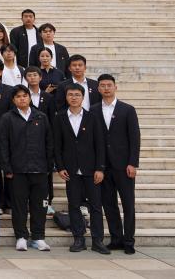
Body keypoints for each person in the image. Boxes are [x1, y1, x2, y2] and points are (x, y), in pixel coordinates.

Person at [54, 85, 109, 254]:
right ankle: (78, 239)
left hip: (91, 169)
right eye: (70, 94)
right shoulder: (59, 117)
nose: (74, 97)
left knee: (96, 206)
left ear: (83, 97)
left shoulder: (93, 117)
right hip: (70, 170)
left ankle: (97, 240)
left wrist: (100, 168)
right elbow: (57, 145)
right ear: (66, 97)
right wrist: (60, 167)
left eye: (77, 95)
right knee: (74, 205)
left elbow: (100, 144)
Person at [0, 85, 53, 252]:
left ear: (29, 97)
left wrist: (48, 165)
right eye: (18, 96)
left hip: (39, 169)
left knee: (39, 206)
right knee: (19, 206)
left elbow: (49, 142)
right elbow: (3, 144)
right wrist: (7, 168)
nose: (22, 99)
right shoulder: (7, 118)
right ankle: (21, 236)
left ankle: (38, 237)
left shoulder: (41, 117)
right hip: (17, 171)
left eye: (25, 95)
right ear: (13, 100)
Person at [91, 74, 140, 254]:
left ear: (115, 87)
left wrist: (133, 163)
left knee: (128, 204)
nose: (106, 88)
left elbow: (134, 138)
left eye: (109, 85)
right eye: (102, 85)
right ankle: (116, 238)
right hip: (104, 166)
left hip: (123, 165)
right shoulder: (93, 110)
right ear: (98, 89)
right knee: (109, 205)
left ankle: (129, 241)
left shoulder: (127, 109)